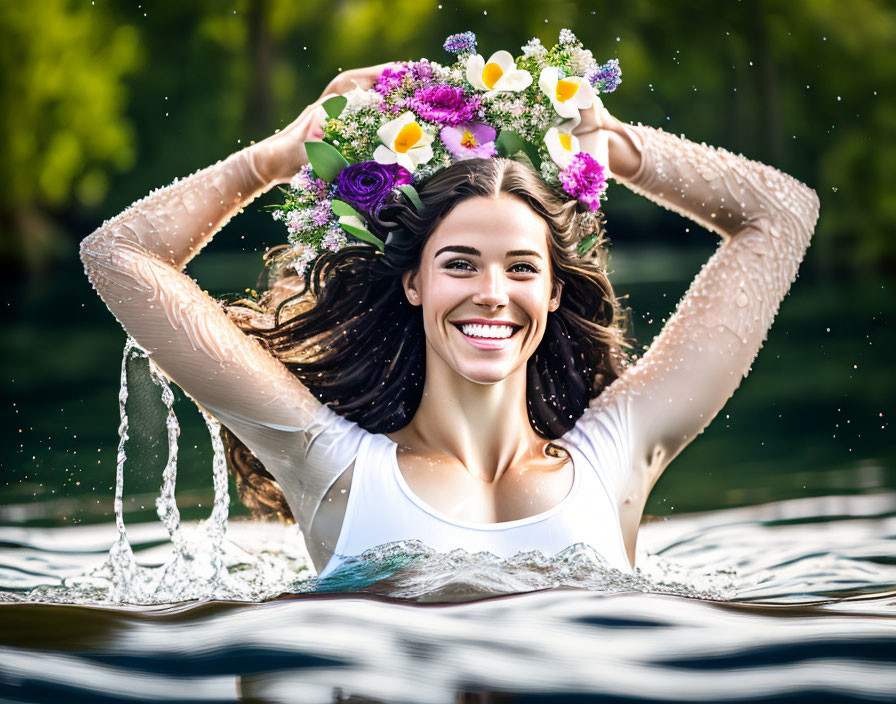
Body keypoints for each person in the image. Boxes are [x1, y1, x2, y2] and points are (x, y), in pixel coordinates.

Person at [80, 63, 820, 579]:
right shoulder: (328, 463)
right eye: (461, 263)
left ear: (556, 292)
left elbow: (782, 212)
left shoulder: (618, 453)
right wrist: (271, 159)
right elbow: (117, 253)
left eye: (523, 268)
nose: (493, 292)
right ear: (414, 284)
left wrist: (615, 145)